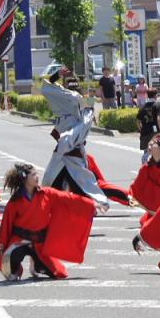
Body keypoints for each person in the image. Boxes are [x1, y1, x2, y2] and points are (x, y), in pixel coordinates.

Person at [0, 162, 96, 280]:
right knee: (9, 268)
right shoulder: (15, 201)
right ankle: (15, 268)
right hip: (20, 241)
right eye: (33, 175)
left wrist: (91, 204)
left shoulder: (46, 193)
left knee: (59, 274)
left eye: (36, 174)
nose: (37, 177)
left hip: (40, 243)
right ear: (24, 178)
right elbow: (6, 226)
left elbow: (69, 198)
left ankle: (36, 266)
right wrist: (0, 250)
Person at [41, 68, 110, 211]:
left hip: (71, 149)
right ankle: (90, 204)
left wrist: (69, 138)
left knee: (71, 183)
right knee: (58, 182)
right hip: (67, 148)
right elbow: (48, 89)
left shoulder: (78, 102)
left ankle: (93, 205)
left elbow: (47, 89)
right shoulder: (79, 102)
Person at [136, 89, 160, 163]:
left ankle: (145, 166)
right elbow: (158, 119)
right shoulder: (157, 105)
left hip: (144, 132)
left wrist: (141, 129)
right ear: (155, 96)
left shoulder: (142, 107)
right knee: (157, 151)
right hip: (154, 132)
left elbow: (138, 121)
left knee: (146, 150)